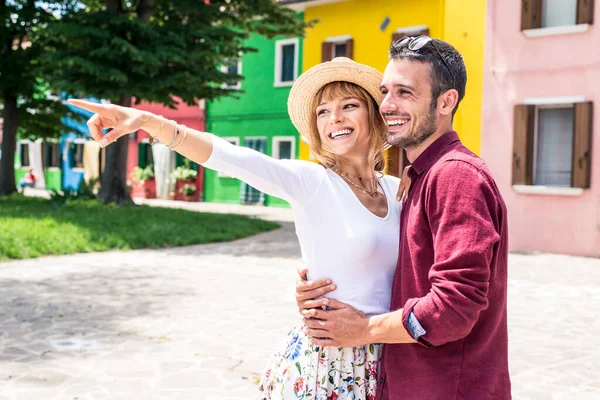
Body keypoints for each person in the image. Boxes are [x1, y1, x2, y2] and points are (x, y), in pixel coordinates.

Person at [68, 57, 411, 399]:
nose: (334, 118)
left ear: (373, 114)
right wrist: (149, 121)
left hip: (384, 357)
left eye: (348, 105)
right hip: (327, 363)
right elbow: (231, 158)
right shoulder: (312, 182)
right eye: (322, 111)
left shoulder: (398, 191)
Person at [296, 36, 511, 399]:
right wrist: (320, 287)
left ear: (446, 102)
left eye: (405, 93)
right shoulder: (418, 177)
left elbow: (452, 309)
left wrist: (363, 329)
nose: (387, 105)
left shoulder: (455, 176)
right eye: (385, 92)